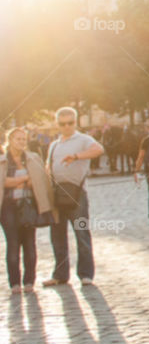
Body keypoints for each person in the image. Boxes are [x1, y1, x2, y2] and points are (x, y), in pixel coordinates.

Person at [43, 107, 104, 287]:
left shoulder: (83, 139)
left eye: (70, 123)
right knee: (57, 236)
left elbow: (99, 149)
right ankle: (60, 274)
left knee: (81, 233)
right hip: (57, 195)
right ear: (58, 124)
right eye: (63, 124)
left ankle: (86, 274)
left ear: (75, 122)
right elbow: (49, 168)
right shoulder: (54, 144)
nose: (67, 127)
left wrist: (77, 156)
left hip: (78, 196)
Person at [2, 127, 55, 293]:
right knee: (12, 243)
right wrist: (25, 178)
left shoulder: (33, 158)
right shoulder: (3, 160)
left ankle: (29, 282)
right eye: (17, 139)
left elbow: (38, 181)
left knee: (30, 243)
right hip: (8, 206)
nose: (21, 142)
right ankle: (15, 283)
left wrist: (15, 181)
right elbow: (3, 183)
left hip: (29, 204)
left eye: (23, 139)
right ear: (9, 141)